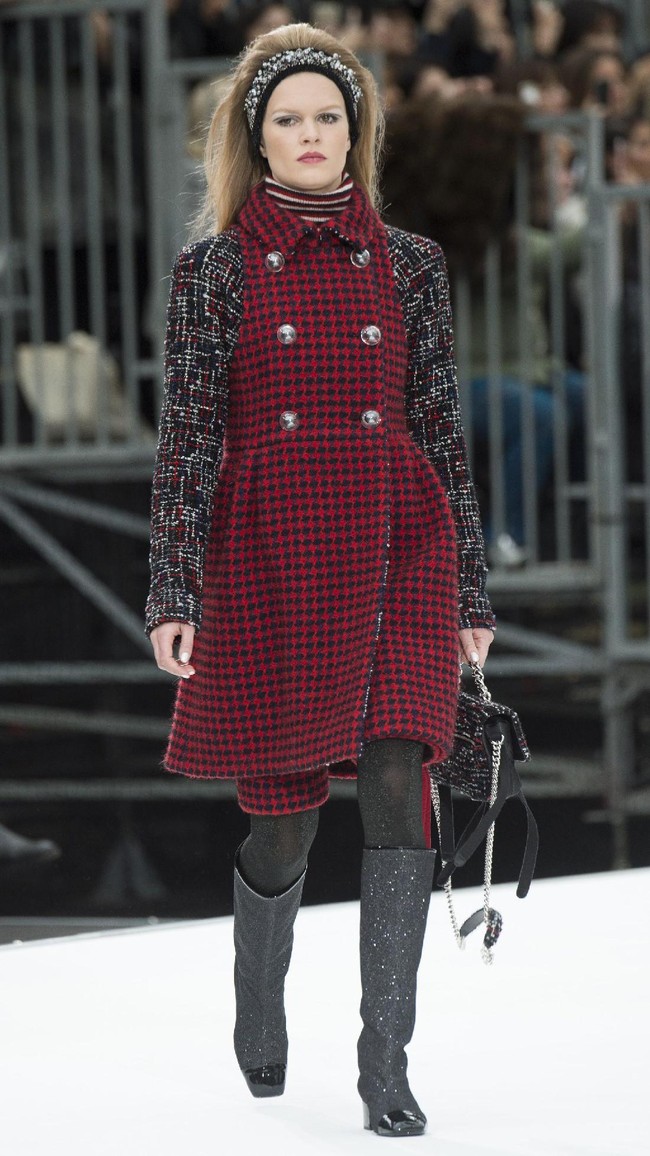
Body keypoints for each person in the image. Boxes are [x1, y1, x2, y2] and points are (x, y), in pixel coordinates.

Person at [145, 20, 495, 1138]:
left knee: (401, 773)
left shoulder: (410, 265)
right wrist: (172, 590)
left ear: (356, 133)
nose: (309, 136)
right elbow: (189, 435)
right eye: (288, 118)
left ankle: (382, 1060)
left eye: (327, 119)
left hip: (398, 533)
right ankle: (260, 990)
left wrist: (472, 599)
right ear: (258, 134)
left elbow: (440, 430)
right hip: (270, 548)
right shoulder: (211, 270)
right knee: (283, 823)